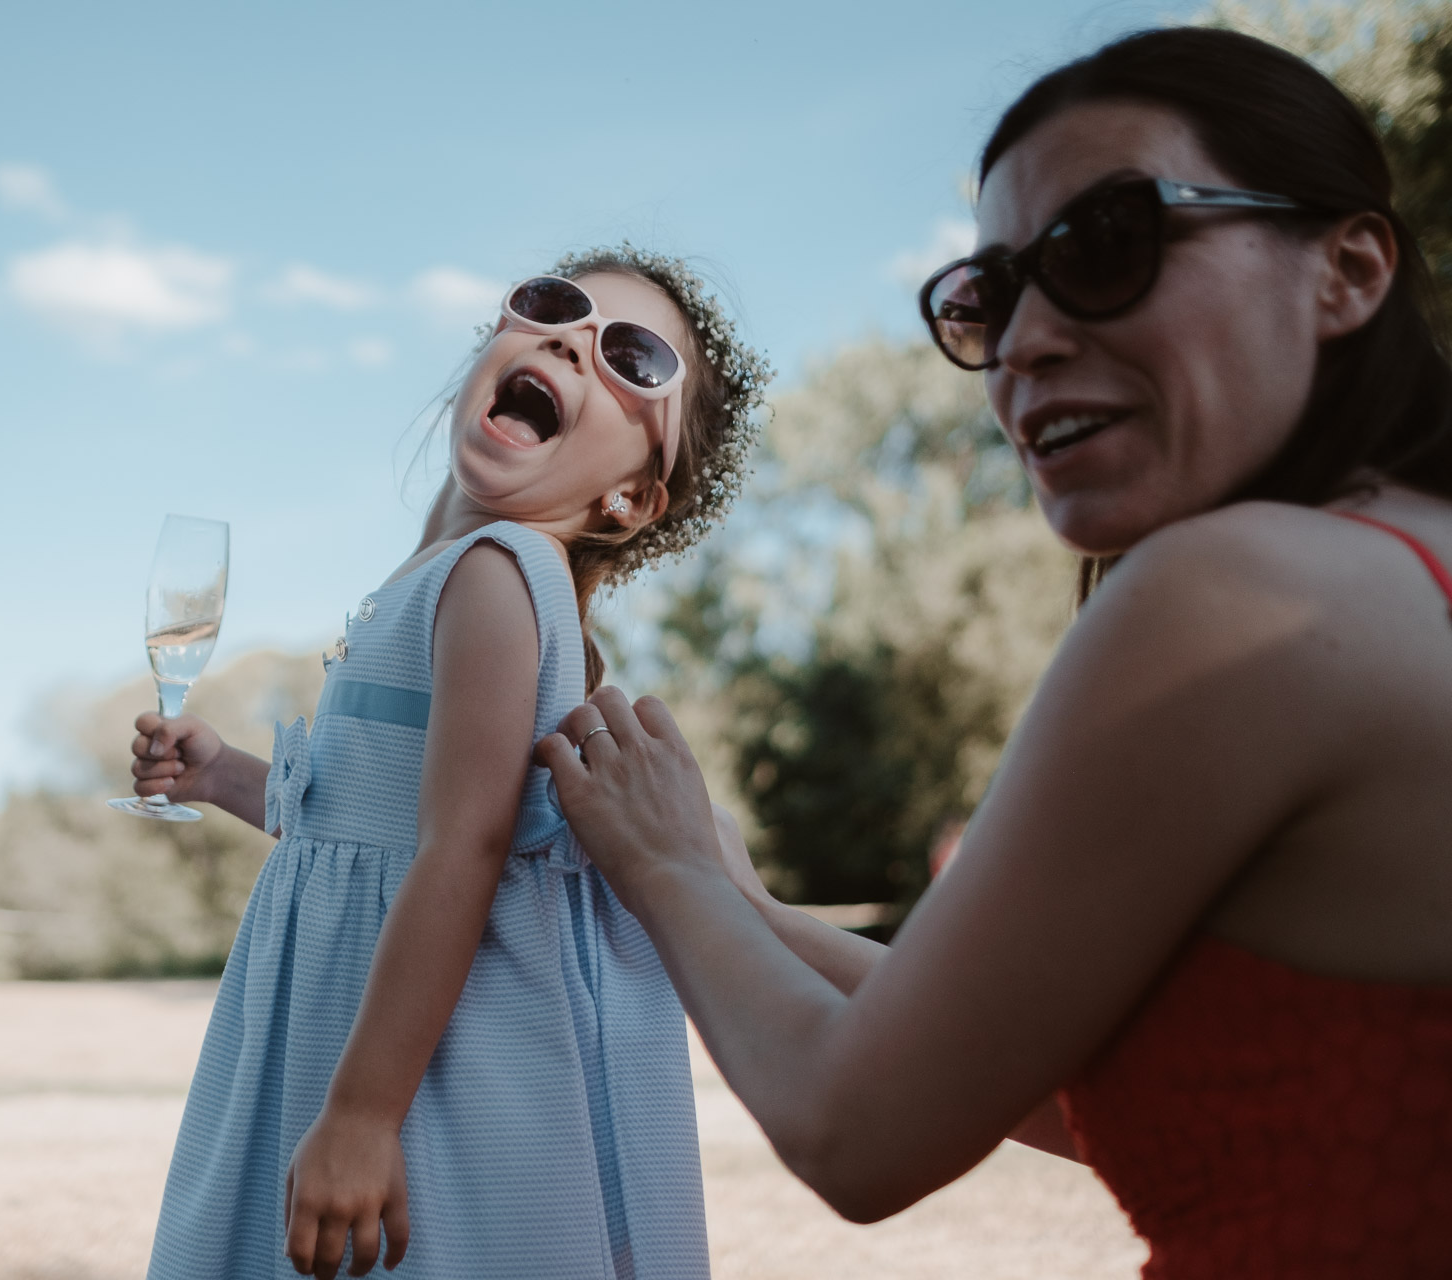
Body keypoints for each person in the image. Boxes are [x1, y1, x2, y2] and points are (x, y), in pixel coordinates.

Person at [538, 28, 1452, 1280]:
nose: (1021, 343)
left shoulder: (1233, 594)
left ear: (1344, 269)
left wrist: (661, 870)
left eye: (1101, 247)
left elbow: (857, 1132)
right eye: (986, 298)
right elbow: (1040, 1075)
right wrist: (746, 905)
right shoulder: (1407, 573)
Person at [126, 246, 770, 1280]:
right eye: (553, 309)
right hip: (360, 1027)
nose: (571, 338)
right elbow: (369, 826)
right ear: (493, 348)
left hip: (413, 1071)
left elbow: (462, 848)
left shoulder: (496, 575)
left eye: (633, 356)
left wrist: (362, 1111)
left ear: (629, 500)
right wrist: (224, 775)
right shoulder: (441, 576)